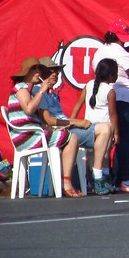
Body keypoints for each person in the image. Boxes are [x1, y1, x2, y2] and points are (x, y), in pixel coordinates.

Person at [92, 19, 129, 192]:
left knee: (109, 140)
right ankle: (125, 180)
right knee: (123, 140)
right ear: (119, 37)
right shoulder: (121, 52)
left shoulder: (99, 51)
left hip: (104, 96)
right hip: (124, 97)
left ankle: (110, 178)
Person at [6, 57, 74, 195]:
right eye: (35, 70)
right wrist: (42, 91)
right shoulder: (21, 88)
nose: (38, 73)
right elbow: (29, 109)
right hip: (25, 137)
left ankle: (59, 184)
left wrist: (52, 128)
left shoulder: (30, 91)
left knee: (65, 138)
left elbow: (36, 121)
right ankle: (66, 183)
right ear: (27, 73)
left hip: (33, 133)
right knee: (72, 138)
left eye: (39, 70)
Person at [30, 58, 95, 197]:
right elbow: (49, 120)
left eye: (57, 70)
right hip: (58, 132)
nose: (55, 74)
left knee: (108, 132)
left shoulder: (52, 95)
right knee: (104, 132)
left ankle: (97, 178)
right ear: (41, 73)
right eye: (50, 71)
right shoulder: (38, 91)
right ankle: (96, 179)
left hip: (65, 129)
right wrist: (77, 122)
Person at [75, 57, 119, 195]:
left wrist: (72, 119)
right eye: (116, 73)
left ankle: (104, 180)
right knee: (103, 153)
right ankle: (98, 180)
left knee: (101, 155)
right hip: (102, 129)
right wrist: (116, 132)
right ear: (111, 75)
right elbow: (113, 115)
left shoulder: (89, 84)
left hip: (88, 128)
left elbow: (78, 104)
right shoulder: (110, 91)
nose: (117, 76)